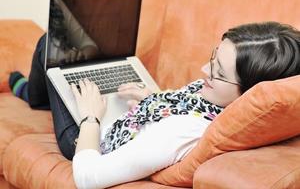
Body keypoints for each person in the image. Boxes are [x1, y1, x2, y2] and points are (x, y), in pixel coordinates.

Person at [9, 21, 300, 188]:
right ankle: (37, 93)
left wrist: (90, 117)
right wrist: (155, 98)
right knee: (84, 48)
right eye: (213, 58)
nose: (203, 70)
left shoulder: (181, 132)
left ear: (248, 93)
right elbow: (185, 106)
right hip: (131, 118)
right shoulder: (218, 103)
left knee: (50, 44)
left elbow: (87, 177)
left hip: (89, 140)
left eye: (218, 73)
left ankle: (28, 93)